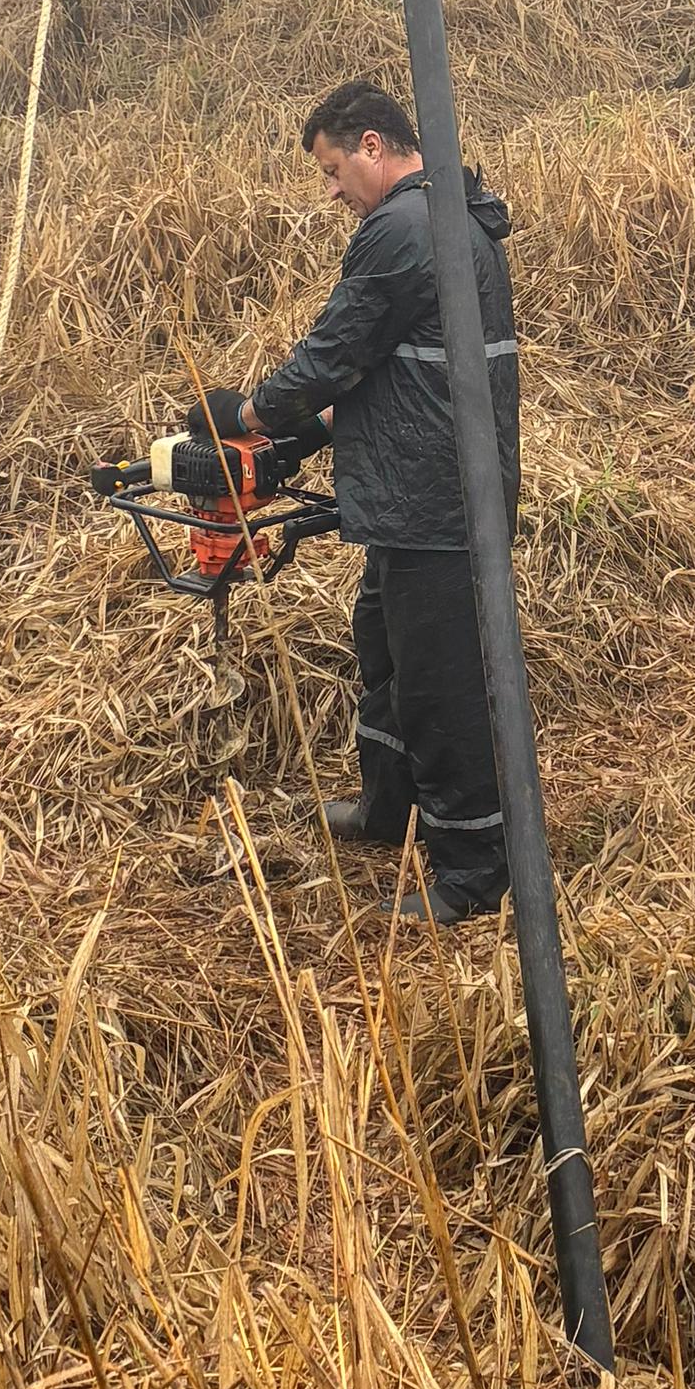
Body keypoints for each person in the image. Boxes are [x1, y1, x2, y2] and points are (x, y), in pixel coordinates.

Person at [240, 82, 519, 925]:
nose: (332, 190)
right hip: (422, 486)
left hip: (435, 498)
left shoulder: (400, 227)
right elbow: (401, 367)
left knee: (440, 685)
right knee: (385, 647)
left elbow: (335, 353)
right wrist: (312, 431)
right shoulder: (449, 213)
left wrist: (247, 415)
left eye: (332, 169)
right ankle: (388, 806)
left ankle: (473, 872)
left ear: (372, 145)